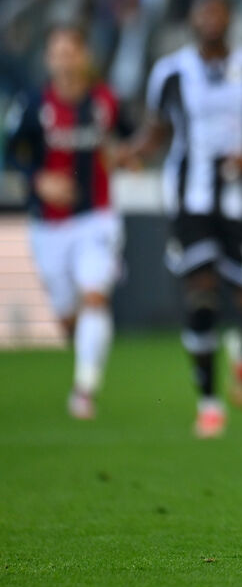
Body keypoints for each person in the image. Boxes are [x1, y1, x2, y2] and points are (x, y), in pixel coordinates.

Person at [124, 0, 242, 437]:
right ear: (192, 19)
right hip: (190, 203)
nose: (210, 19)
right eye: (203, 11)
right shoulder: (169, 72)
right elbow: (156, 131)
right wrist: (132, 152)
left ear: (231, 17)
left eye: (218, 11)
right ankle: (210, 403)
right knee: (200, 298)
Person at [3, 23, 130, 419]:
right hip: (48, 226)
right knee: (67, 317)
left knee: (95, 296)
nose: (65, 60)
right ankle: (83, 346)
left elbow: (132, 136)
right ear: (48, 59)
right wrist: (39, 180)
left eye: (71, 52)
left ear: (83, 56)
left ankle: (84, 390)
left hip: (97, 218)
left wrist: (128, 154)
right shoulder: (32, 105)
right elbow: (12, 154)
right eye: (58, 53)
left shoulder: (106, 100)